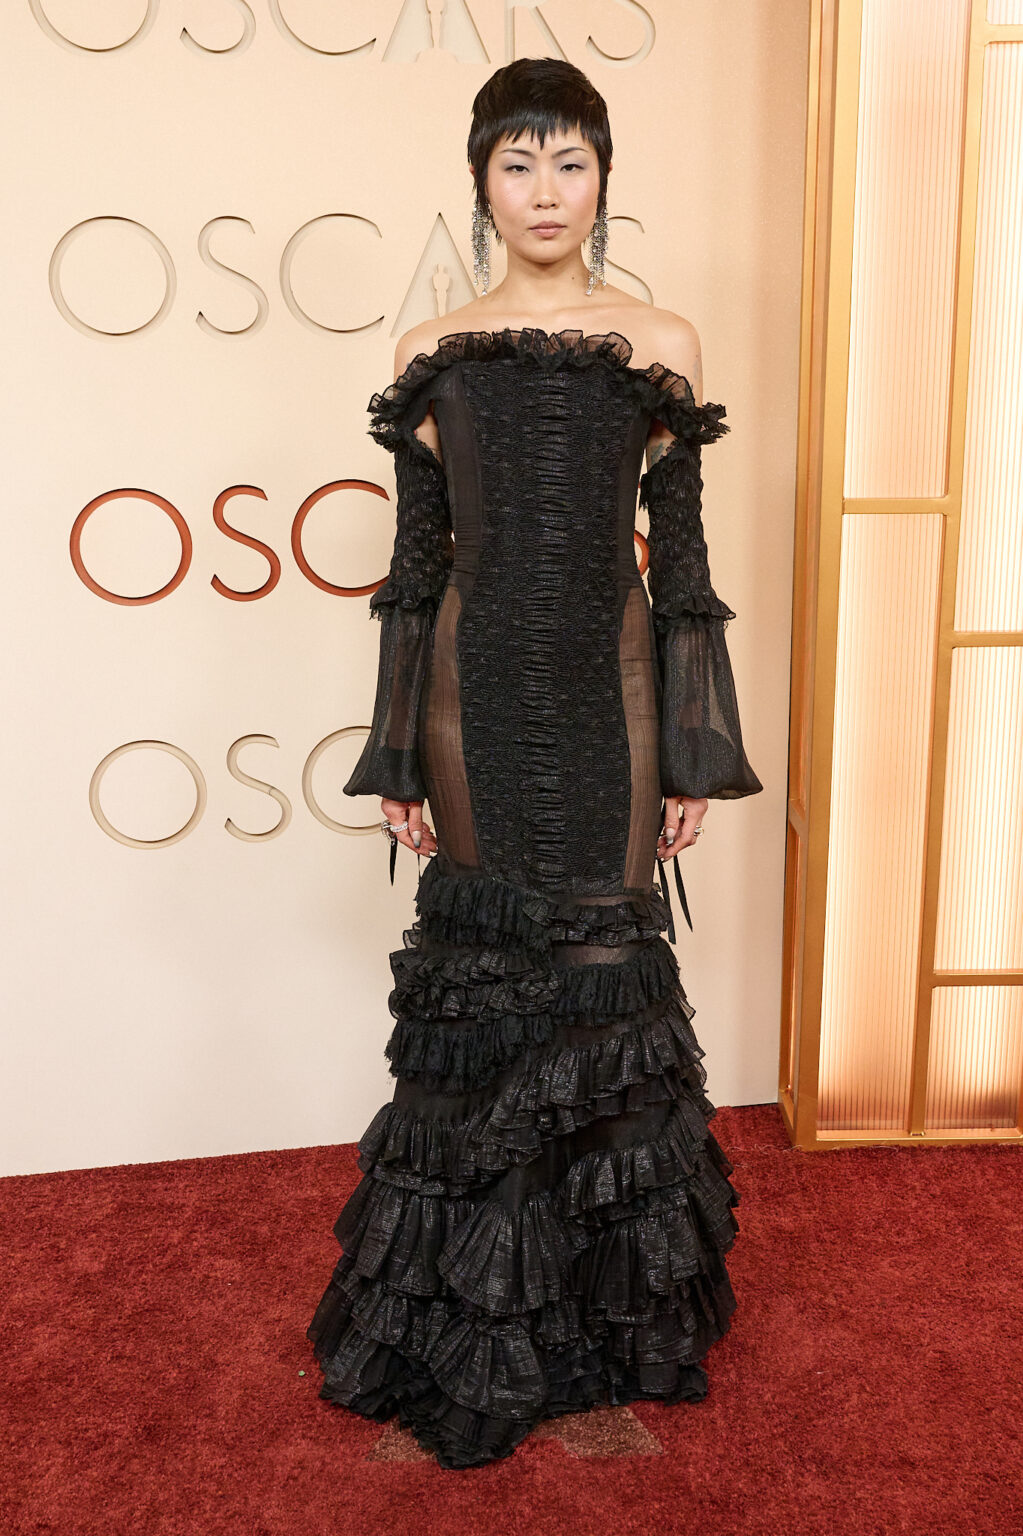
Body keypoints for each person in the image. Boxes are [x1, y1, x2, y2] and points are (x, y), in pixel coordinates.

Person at [306, 56, 764, 1470]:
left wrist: (693, 737)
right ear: (480, 181)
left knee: (603, 972)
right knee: (491, 976)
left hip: (616, 690)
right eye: (519, 164)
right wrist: (395, 743)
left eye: (571, 163)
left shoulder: (664, 339)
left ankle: (602, 1306)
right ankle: (482, 1302)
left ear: (606, 176)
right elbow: (416, 571)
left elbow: (680, 567)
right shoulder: (431, 353)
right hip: (470, 696)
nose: (546, 192)